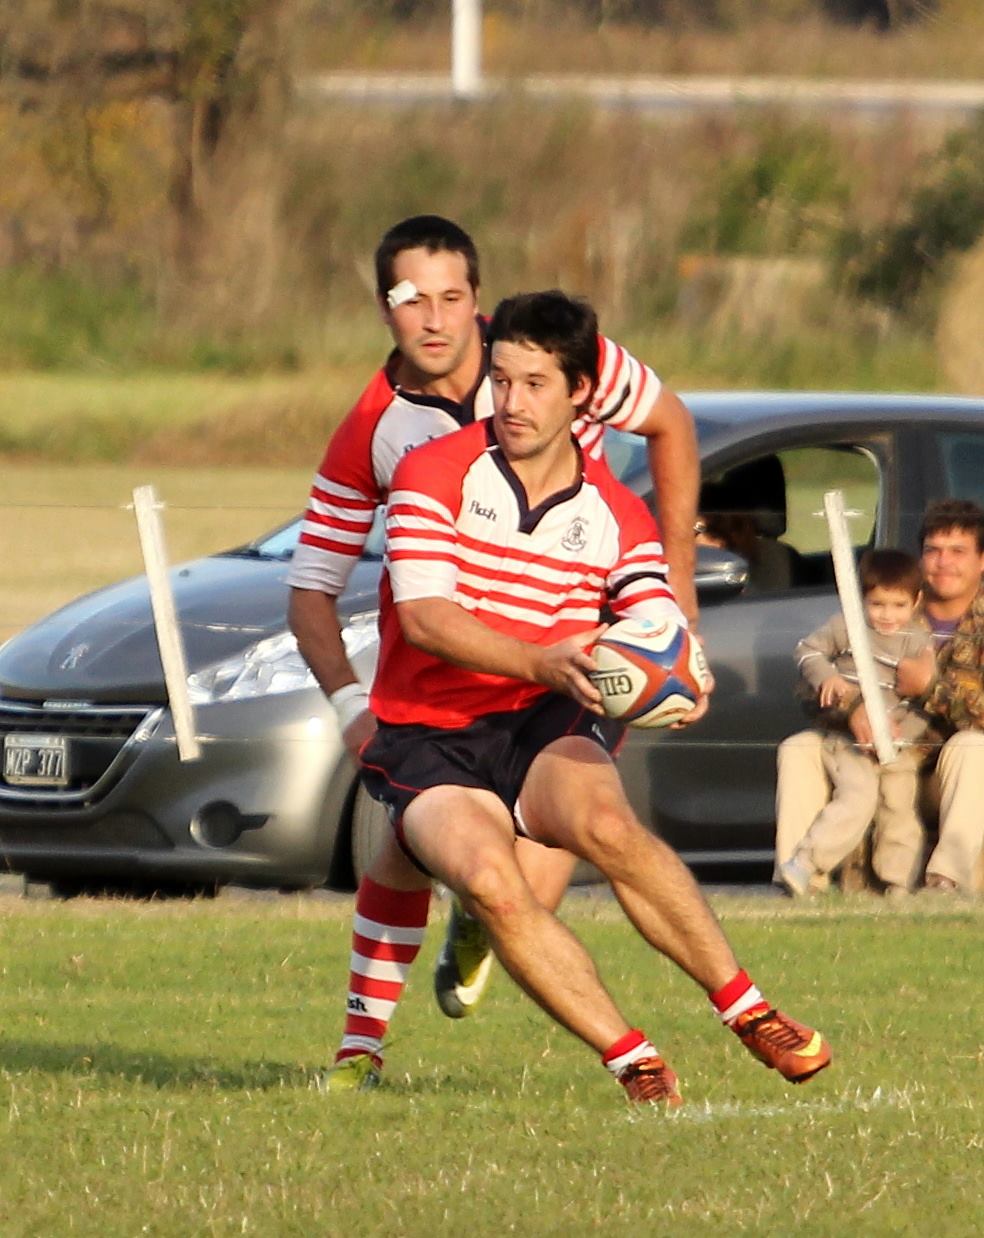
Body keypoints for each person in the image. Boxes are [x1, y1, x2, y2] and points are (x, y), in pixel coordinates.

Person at [327, 289, 831, 1102]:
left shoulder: (617, 514)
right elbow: (424, 619)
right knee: (491, 882)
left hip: (542, 718)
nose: (511, 402)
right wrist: (539, 660)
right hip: (430, 732)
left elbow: (651, 616)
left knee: (607, 827)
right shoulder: (433, 473)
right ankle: (635, 1062)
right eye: (501, 380)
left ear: (581, 393)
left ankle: (749, 1011)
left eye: (534, 384)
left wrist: (681, 672)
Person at [287, 214, 702, 1025]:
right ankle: (367, 1036)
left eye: (451, 298)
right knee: (432, 849)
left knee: (545, 853)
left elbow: (670, 423)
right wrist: (348, 706)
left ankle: (481, 924)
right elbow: (309, 591)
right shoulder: (375, 429)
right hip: (450, 677)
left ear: (476, 297)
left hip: (574, 652)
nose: (434, 320)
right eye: (411, 300)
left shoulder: (543, 353)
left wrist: (675, 590)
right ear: (383, 307)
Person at [775, 499, 984, 895]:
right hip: (866, 752)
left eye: (958, 551)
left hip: (938, 769)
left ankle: (946, 882)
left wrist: (931, 689)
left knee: (976, 748)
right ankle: (798, 883)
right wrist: (854, 708)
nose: (943, 562)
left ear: (982, 560)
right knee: (799, 748)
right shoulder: (886, 604)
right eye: (933, 550)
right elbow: (809, 685)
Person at [777, 549, 933, 899]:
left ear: (916, 601)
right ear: (861, 600)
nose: (887, 615)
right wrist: (827, 677)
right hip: (849, 740)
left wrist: (901, 736)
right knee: (858, 796)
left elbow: (922, 705)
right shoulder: (847, 627)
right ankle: (806, 862)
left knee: (900, 807)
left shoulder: (919, 643)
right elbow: (807, 651)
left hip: (895, 744)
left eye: (898, 605)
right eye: (877, 604)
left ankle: (897, 883)